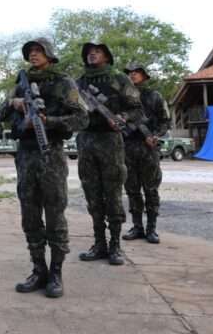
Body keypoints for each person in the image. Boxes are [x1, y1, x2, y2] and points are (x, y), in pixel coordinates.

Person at [2, 38, 88, 298]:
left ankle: (56, 272)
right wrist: (14, 104)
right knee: (30, 214)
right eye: (30, 52)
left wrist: (48, 121)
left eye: (38, 51)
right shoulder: (20, 83)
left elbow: (82, 117)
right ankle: (38, 269)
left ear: (49, 54)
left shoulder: (64, 82)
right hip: (26, 156)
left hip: (51, 154)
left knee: (54, 215)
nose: (33, 55)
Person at [76, 43, 142, 266]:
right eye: (89, 52)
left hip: (110, 141)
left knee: (113, 193)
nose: (92, 54)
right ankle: (99, 243)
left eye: (97, 51)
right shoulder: (79, 82)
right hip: (86, 141)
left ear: (106, 55)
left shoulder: (119, 79)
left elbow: (136, 108)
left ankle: (115, 245)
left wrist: (122, 117)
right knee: (92, 194)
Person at [122, 64, 170, 245]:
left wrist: (156, 136)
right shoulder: (122, 98)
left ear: (144, 76)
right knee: (132, 190)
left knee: (150, 189)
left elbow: (165, 121)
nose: (133, 75)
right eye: (130, 73)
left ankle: (151, 228)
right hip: (127, 147)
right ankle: (137, 226)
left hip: (148, 149)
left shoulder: (154, 96)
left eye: (137, 73)